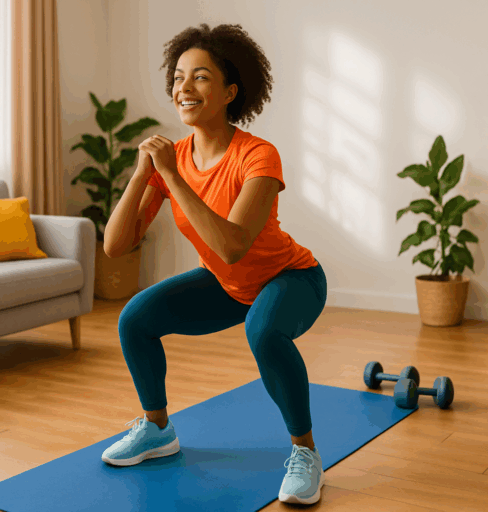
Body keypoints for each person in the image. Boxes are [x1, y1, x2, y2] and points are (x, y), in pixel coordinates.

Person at [100, 23, 327, 506]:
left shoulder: (259, 156)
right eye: (179, 77)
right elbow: (115, 247)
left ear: (229, 91)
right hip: (228, 286)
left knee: (264, 332)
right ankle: (158, 429)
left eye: (200, 77)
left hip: (290, 279)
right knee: (135, 319)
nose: (184, 87)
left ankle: (305, 453)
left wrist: (172, 177)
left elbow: (233, 246)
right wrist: (142, 174)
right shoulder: (170, 159)